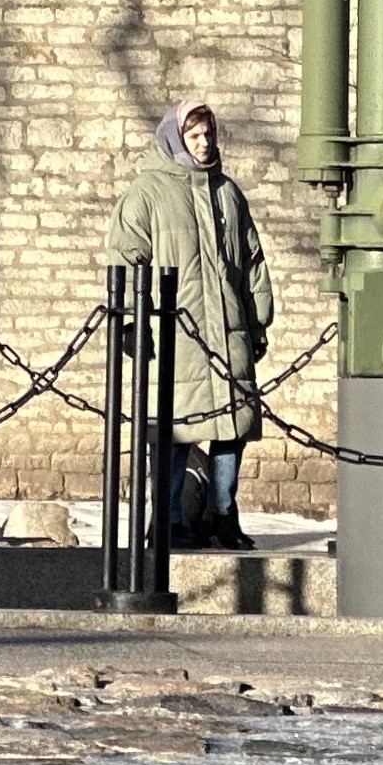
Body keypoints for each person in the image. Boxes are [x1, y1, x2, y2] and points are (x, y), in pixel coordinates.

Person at [103, 95, 273, 551]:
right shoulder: (148, 193)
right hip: (175, 335)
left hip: (229, 329)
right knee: (174, 432)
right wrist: (130, 324)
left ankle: (223, 512)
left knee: (232, 429)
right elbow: (126, 257)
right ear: (176, 137)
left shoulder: (228, 193)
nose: (204, 142)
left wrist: (258, 323)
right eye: (194, 135)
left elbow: (253, 263)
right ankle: (169, 519)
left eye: (209, 133)